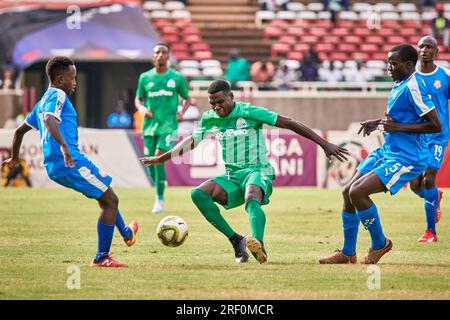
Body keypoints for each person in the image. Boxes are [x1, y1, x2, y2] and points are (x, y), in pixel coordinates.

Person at [140, 80, 350, 264]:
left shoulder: (250, 112)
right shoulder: (209, 118)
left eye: (220, 102)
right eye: (212, 103)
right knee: (198, 194)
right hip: (232, 176)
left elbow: (289, 122)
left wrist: (323, 144)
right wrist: (162, 158)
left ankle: (257, 241)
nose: (216, 107)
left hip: (258, 170)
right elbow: (192, 141)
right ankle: (236, 240)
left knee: (252, 197)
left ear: (231, 97)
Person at [2, 56, 138, 267]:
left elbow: (19, 131)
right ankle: (102, 257)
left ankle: (127, 234)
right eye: (72, 78)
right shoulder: (57, 95)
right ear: (59, 78)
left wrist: (16, 157)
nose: (75, 82)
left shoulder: (41, 102)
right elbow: (49, 120)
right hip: (70, 162)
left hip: (54, 167)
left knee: (106, 195)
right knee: (111, 200)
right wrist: (64, 147)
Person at [319, 44, 441, 264]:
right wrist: (380, 123)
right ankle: (348, 253)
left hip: (408, 157)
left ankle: (380, 244)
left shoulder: (414, 86)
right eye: (388, 64)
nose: (389, 68)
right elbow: (402, 118)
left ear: (409, 64)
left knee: (357, 192)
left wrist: (399, 128)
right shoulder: (399, 83)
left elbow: (435, 125)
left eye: (393, 64)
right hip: (388, 150)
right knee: (348, 192)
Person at [135, 43, 191, 213]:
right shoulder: (145, 77)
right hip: (150, 127)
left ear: (168, 56)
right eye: (157, 52)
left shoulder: (176, 77)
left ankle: (159, 199)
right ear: (153, 56)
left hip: (168, 125)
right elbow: (139, 99)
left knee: (159, 157)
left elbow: (187, 99)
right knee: (150, 164)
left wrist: (181, 111)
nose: (160, 55)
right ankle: (161, 180)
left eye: (163, 52)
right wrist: (142, 109)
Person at [409, 36, 450, 242]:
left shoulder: (445, 76)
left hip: (438, 137)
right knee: (415, 186)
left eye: (429, 47)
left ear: (436, 52)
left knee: (429, 178)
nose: (424, 50)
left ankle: (430, 232)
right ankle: (436, 196)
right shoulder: (410, 78)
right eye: (421, 46)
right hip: (418, 139)